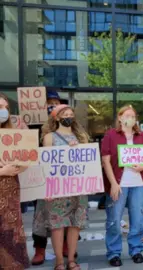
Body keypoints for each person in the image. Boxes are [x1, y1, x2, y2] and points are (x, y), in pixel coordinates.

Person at [37, 104, 89, 270]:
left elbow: (88, 161)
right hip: (57, 188)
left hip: (77, 187)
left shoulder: (81, 137)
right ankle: (59, 261)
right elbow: (45, 164)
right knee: (57, 225)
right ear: (56, 117)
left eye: (71, 114)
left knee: (75, 224)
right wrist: (46, 188)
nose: (69, 116)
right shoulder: (49, 137)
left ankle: (72, 260)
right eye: (64, 114)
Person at [101, 106, 143, 267]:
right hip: (119, 183)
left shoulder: (142, 136)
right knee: (114, 220)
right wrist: (114, 184)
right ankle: (114, 253)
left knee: (138, 219)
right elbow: (106, 161)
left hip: (138, 184)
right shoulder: (111, 135)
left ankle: (136, 249)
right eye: (127, 115)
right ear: (120, 117)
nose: (131, 118)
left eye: (133, 115)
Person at [31, 90, 72, 266]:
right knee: (41, 214)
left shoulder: (69, 130)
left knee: (64, 214)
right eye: (49, 102)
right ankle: (39, 249)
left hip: (64, 179)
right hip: (41, 177)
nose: (52, 105)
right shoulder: (34, 126)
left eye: (55, 102)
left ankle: (64, 247)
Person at [0, 93, 30, 270]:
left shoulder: (12, 134)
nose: (3, 111)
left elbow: (25, 161)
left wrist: (22, 165)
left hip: (10, 195)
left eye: (5, 107)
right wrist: (3, 171)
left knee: (10, 235)